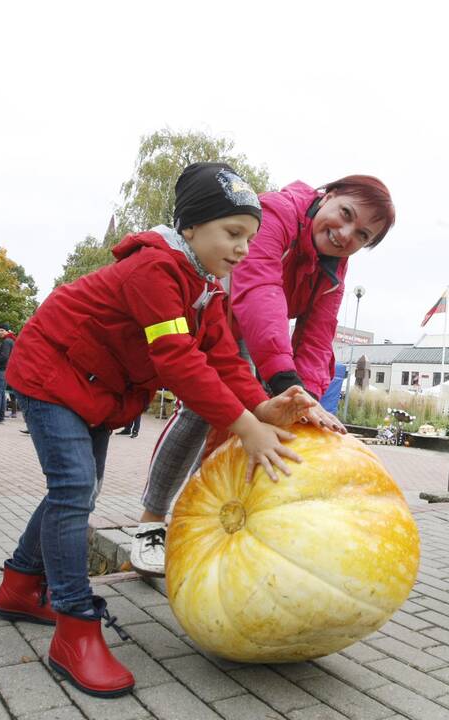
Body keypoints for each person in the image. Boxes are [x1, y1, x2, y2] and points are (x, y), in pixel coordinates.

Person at [0, 163, 340, 697]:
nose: (243, 248)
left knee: (77, 489)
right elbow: (177, 360)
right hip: (52, 371)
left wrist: (268, 406)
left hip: (96, 388)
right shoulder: (154, 269)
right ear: (192, 228)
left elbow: (223, 360)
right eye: (232, 233)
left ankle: (18, 586)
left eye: (249, 236)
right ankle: (73, 625)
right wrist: (244, 425)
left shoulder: (208, 289)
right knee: (75, 490)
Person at [128, 173, 395, 577]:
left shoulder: (335, 273)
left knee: (252, 427)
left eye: (362, 235)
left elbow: (318, 338)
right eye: (345, 215)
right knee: (204, 412)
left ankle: (199, 521)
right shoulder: (277, 213)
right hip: (217, 315)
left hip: (256, 334)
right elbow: (258, 289)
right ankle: (152, 522)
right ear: (329, 195)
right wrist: (285, 380)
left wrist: (303, 396)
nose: (345, 234)